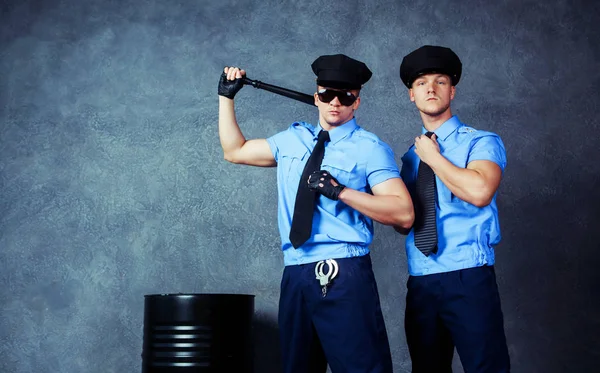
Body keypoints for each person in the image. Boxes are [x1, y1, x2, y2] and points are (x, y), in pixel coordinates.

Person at [218, 54, 414, 373]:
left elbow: (403, 212)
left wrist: (342, 192)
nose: (334, 102)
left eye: (345, 96)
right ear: (316, 97)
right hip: (295, 272)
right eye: (327, 94)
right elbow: (234, 151)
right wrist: (226, 98)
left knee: (361, 367)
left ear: (356, 102)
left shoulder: (369, 148)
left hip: (345, 270)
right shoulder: (292, 139)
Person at [397, 45, 511, 372]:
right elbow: (404, 223)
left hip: (468, 276)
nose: (430, 88)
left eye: (440, 81)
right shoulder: (409, 157)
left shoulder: (481, 141)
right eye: (421, 83)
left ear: (452, 90)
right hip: (421, 279)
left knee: (486, 367)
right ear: (411, 95)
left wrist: (432, 157)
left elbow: (479, 192)